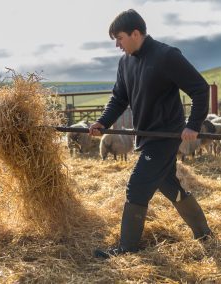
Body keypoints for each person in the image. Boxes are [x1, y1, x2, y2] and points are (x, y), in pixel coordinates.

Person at [89, 9, 213, 258]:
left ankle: (126, 248)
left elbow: (200, 88)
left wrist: (193, 124)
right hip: (146, 137)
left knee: (137, 188)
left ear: (136, 33)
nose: (117, 45)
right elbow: (119, 98)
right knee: (169, 185)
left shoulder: (167, 56)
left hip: (166, 137)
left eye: (120, 38)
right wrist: (103, 122)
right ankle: (204, 233)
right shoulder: (125, 62)